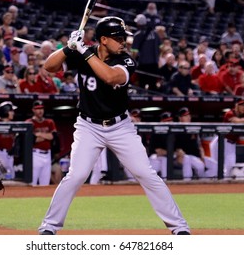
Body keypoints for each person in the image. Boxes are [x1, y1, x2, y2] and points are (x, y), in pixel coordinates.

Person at [38, 16, 190, 235]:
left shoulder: (126, 60)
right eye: (118, 38)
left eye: (123, 37)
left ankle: (180, 228)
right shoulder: (82, 52)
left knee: (146, 174)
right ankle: (49, 227)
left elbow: (110, 77)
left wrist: (84, 51)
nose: (123, 42)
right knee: (76, 175)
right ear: (104, 39)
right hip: (88, 126)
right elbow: (49, 66)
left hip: (120, 127)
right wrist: (66, 48)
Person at [210, 97, 244, 177]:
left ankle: (225, 187)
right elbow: (237, 121)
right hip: (220, 142)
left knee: (230, 167)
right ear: (236, 105)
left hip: (231, 144)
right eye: (241, 105)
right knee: (215, 167)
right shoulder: (229, 113)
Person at [175, 107, 218, 180]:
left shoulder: (194, 128)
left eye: (189, 115)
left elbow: (199, 146)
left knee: (215, 165)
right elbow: (175, 147)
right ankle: (194, 182)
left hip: (197, 156)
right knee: (199, 166)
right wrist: (178, 152)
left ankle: (204, 180)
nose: (188, 117)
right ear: (180, 118)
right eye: (185, 116)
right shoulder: (177, 130)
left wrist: (202, 157)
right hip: (186, 156)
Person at [26, 100, 58, 186]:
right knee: (32, 183)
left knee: (45, 183)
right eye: (37, 109)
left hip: (47, 155)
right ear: (33, 110)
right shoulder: (29, 122)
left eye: (41, 108)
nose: (40, 111)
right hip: (35, 154)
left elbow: (52, 137)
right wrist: (46, 136)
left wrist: (39, 134)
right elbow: (33, 140)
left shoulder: (49, 122)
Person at [0, 101, 18, 179]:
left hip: (9, 154)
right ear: (5, 111)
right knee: (6, 175)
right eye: (11, 111)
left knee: (11, 176)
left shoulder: (13, 124)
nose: (13, 113)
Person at [149, 111, 174, 180]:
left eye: (171, 120)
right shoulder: (156, 132)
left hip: (168, 157)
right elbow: (159, 151)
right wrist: (172, 153)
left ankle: (165, 181)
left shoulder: (175, 132)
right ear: (161, 121)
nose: (170, 122)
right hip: (154, 157)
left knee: (164, 160)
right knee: (162, 161)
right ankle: (166, 181)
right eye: (167, 121)